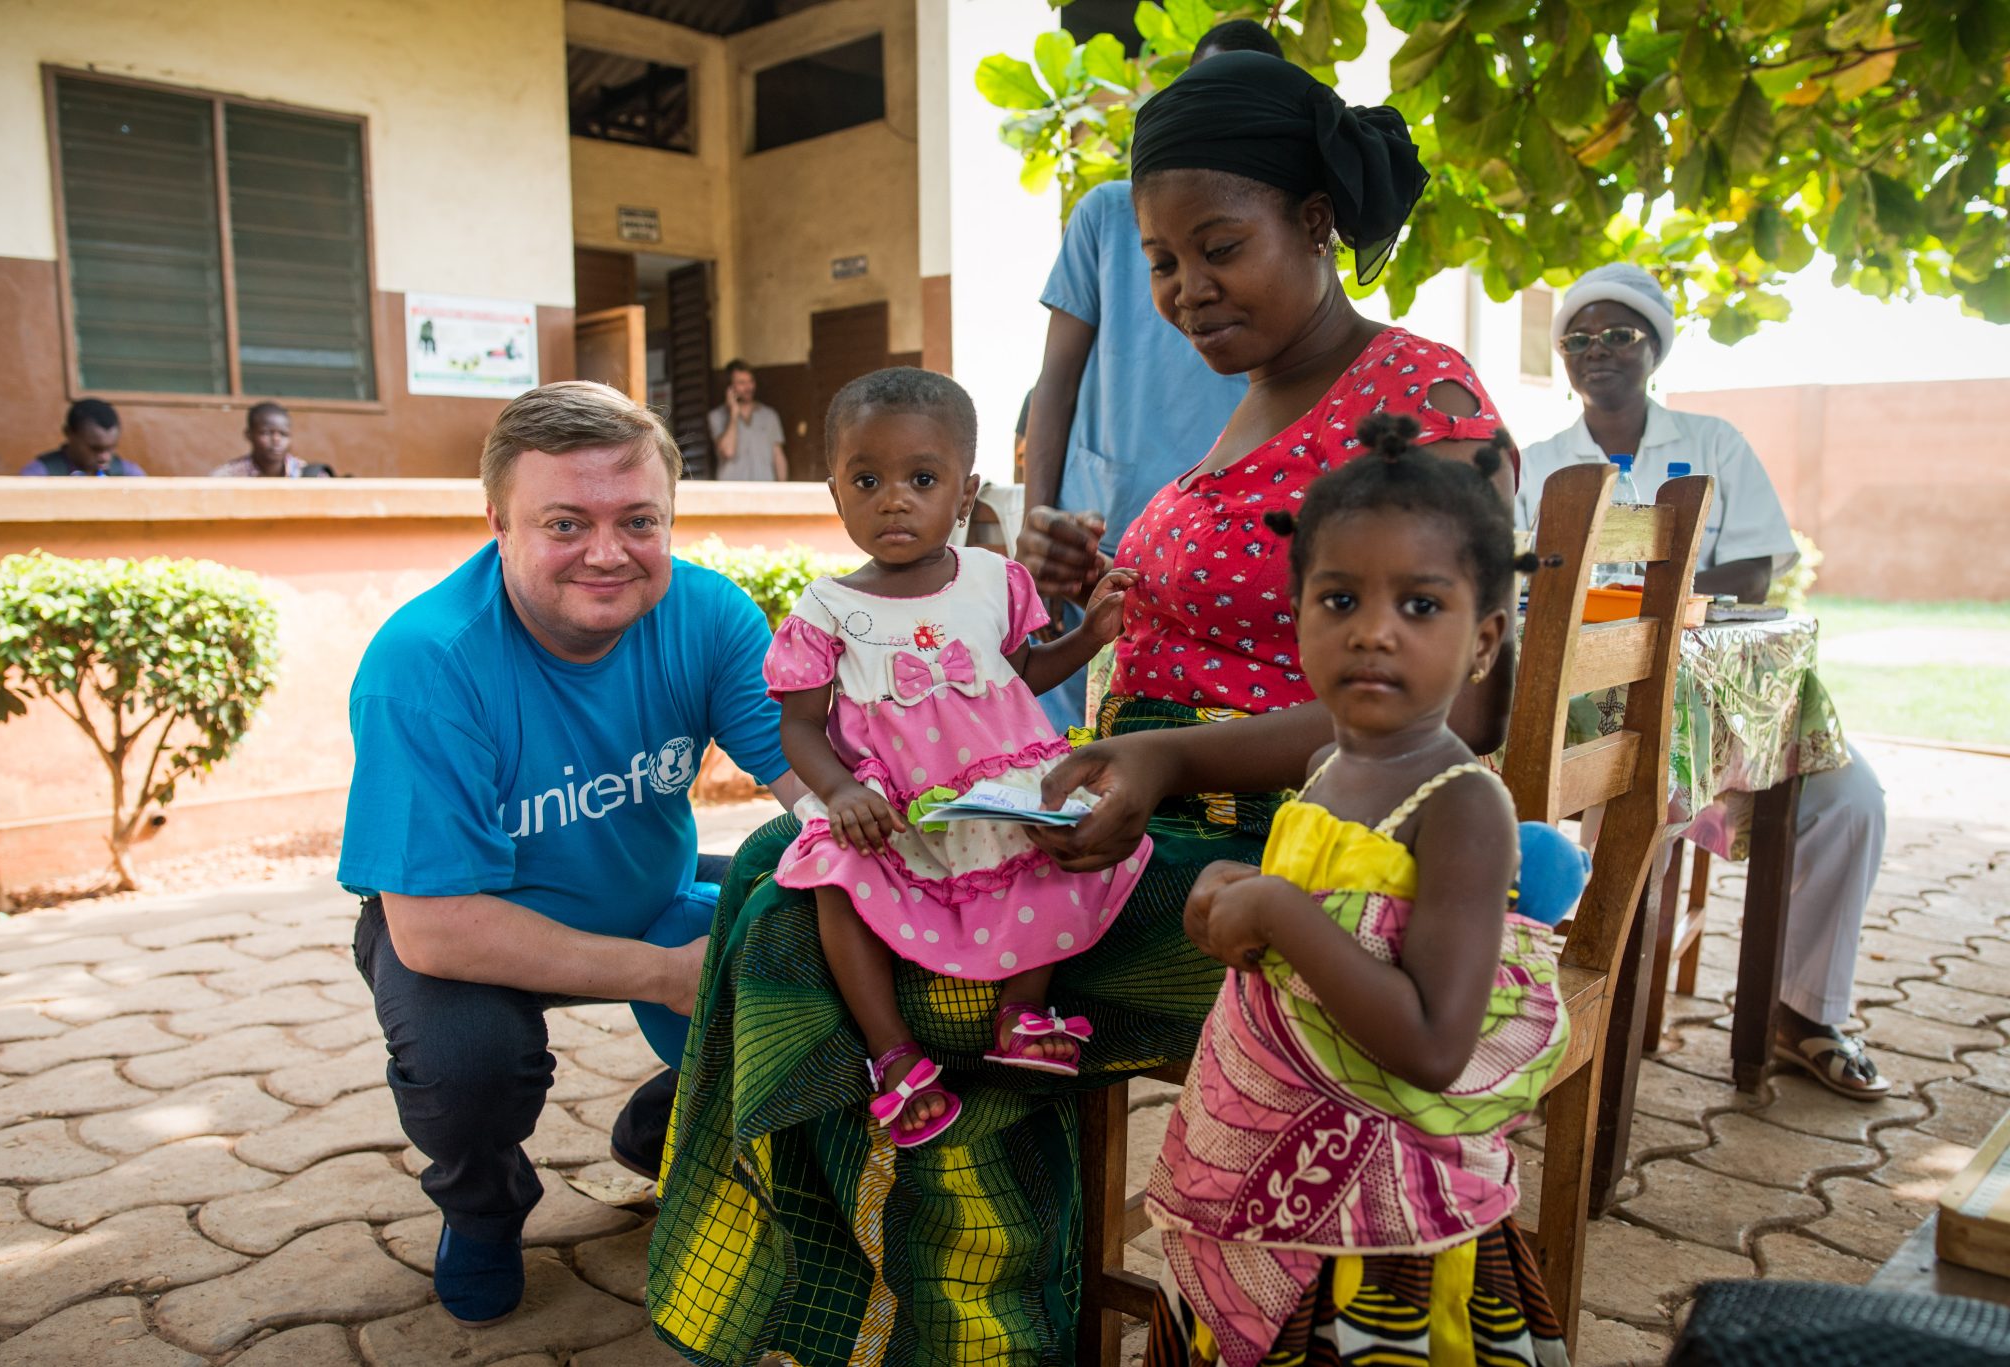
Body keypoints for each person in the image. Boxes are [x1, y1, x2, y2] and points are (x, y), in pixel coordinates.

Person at [648, 52, 1512, 1367]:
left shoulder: (1417, 401)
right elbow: (1234, 619)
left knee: (910, 963)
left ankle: (958, 1313)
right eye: (1160, 263)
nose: (1185, 292)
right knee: (802, 859)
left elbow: (1450, 711)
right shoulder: (1262, 402)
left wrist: (1159, 757)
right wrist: (1098, 604)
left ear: (1319, 223)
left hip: (1295, 857)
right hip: (1155, 800)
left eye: (1219, 247)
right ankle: (848, 1275)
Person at [337, 380, 807, 1326]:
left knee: (819, 940)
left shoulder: (710, 617)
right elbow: (432, 930)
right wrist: (672, 976)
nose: (607, 552)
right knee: (468, 1061)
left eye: (639, 520)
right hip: (478, 927)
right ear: (498, 523)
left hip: (652, 893)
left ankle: (667, 1128)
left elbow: (816, 795)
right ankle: (483, 1210)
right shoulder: (426, 661)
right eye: (565, 522)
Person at [1145, 415, 1569, 1366]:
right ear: (1296, 614)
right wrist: (1239, 889)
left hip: (1383, 1240)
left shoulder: (1464, 806)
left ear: (1486, 638)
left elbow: (1431, 1044)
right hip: (1274, 1189)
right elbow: (1330, 911)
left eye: (1421, 606)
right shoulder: (1328, 761)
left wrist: (1282, 912)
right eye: (1338, 598)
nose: (1374, 630)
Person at [1516, 262, 1891, 1099]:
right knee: (1577, 804)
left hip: (1711, 707)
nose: (1597, 351)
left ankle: (1803, 1012)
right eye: (1578, 338)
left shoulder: (1714, 442)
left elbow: (1755, 568)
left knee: (1851, 799)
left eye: (1620, 334)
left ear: (1654, 348)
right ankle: (1544, 1001)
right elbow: (1517, 585)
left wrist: (1657, 604)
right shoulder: (1539, 463)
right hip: (1578, 713)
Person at [765, 368, 1142, 1148]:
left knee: (1068, 842)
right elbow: (800, 725)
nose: (893, 498)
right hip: (891, 806)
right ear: (834, 493)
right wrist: (837, 792)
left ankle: (1020, 1009)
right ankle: (893, 1056)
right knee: (834, 877)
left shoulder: (991, 580)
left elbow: (1023, 670)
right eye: (866, 479)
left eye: (922, 478)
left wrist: (1090, 636)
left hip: (1000, 790)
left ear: (964, 493)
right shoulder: (828, 607)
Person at [1020, 24, 1276, 731]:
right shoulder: (1107, 215)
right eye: (1162, 263)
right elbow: (1055, 385)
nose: (1188, 287)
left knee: (1166, 738)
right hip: (1093, 533)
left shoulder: (1272, 247)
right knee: (1067, 734)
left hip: (1217, 553)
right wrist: (1038, 526)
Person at [707, 359, 788, 481]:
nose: (748, 387)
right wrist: (733, 414)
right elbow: (728, 451)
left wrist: (783, 488)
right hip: (731, 494)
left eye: (751, 381)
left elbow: (778, 456)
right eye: (742, 382)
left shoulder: (769, 415)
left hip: (765, 491)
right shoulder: (716, 416)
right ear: (730, 387)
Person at [19, 399, 144, 476]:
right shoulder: (39, 475)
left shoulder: (129, 474)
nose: (105, 457)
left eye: (111, 448)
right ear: (69, 433)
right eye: (95, 449)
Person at [210, 402, 305, 477]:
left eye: (284, 434)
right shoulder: (227, 477)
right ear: (249, 435)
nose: (276, 440)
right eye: (266, 433)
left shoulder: (308, 475)